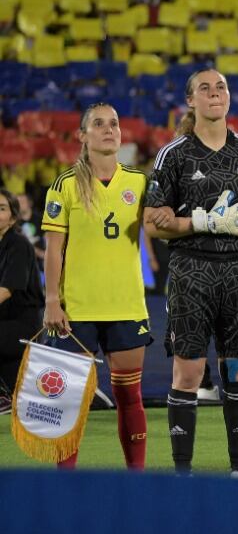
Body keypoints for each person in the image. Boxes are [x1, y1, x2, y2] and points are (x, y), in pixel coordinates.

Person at [144, 68, 238, 477]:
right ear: (191, 101)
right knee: (189, 373)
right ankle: (183, 474)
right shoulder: (175, 154)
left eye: (221, 87)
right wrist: (199, 222)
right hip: (190, 271)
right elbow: (150, 222)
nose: (215, 93)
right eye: (206, 88)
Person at [41, 104, 151, 470]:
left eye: (115, 124)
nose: (109, 130)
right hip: (78, 310)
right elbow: (54, 250)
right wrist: (52, 300)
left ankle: (136, 479)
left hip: (127, 306)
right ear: (82, 136)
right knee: (69, 400)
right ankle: (65, 483)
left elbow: (162, 226)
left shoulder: (139, 182)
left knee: (129, 396)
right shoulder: (65, 185)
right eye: (99, 124)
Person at [0, 189, 43, 413]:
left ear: (14, 217)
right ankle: (6, 394)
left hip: (24, 326)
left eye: (2, 208)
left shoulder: (18, 245)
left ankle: (2, 396)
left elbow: (6, 291)